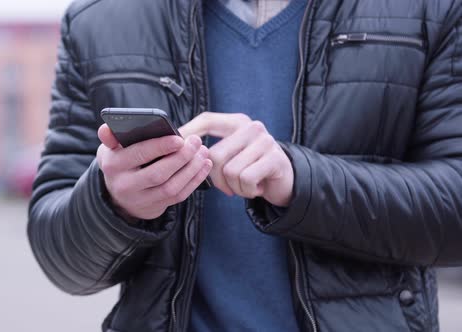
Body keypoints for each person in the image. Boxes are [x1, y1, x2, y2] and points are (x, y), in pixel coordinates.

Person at [27, 0, 462, 331]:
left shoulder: (430, 8)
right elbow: (60, 258)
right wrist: (111, 205)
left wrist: (299, 182)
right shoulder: (99, 20)